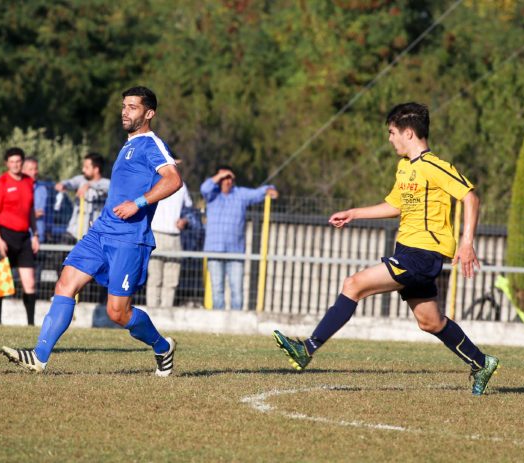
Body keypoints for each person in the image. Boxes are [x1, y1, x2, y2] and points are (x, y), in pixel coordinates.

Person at [273, 102, 499, 396]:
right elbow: (395, 205)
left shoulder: (434, 166)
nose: (390, 139)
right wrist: (354, 213)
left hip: (423, 254)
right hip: (408, 251)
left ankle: (307, 348)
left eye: (392, 132)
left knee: (353, 284)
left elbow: (470, 197)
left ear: (408, 133)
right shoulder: (405, 167)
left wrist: (467, 242)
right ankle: (481, 362)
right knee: (430, 322)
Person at [2, 86, 182, 377]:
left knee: (117, 313)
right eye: (124, 106)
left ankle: (162, 347)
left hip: (129, 239)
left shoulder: (151, 144)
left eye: (133, 107)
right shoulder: (128, 144)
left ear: (149, 113)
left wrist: (138, 203)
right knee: (65, 284)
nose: (125, 112)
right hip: (101, 232)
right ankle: (38, 356)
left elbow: (173, 180)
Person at [201, 166, 278, 310]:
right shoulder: (212, 195)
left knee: (237, 290)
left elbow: (257, 193)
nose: (227, 181)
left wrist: (269, 189)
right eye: (224, 178)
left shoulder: (240, 194)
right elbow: (204, 188)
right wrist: (221, 175)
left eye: (230, 177)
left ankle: (236, 319)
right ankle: (218, 320)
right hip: (214, 250)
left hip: (235, 251)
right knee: (217, 290)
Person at [0, 147, 40, 325]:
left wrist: (35, 235)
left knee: (30, 283)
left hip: (24, 237)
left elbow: (31, 210)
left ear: (22, 163)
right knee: (0, 282)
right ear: (6, 164)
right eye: (12, 162)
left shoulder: (28, 181)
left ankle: (31, 324)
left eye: (18, 161)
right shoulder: (1, 182)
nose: (15, 165)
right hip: (5, 235)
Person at [146, 160, 193, 308]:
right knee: (155, 278)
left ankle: (166, 310)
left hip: (174, 236)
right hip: (156, 234)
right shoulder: (152, 182)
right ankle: (152, 310)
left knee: (171, 280)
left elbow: (189, 210)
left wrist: (185, 220)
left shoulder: (182, 185)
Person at [54, 152, 110, 242]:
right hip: (74, 234)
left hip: (95, 235)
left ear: (96, 169)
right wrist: (63, 184)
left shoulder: (106, 183)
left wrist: (89, 185)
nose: (83, 170)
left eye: (87, 167)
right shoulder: (80, 180)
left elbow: (107, 188)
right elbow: (71, 183)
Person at [22, 157, 47, 242]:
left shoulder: (42, 189)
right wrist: (32, 215)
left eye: (36, 169)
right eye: (31, 169)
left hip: (38, 236)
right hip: (21, 236)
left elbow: (44, 212)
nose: (34, 172)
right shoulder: (17, 188)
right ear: (23, 170)